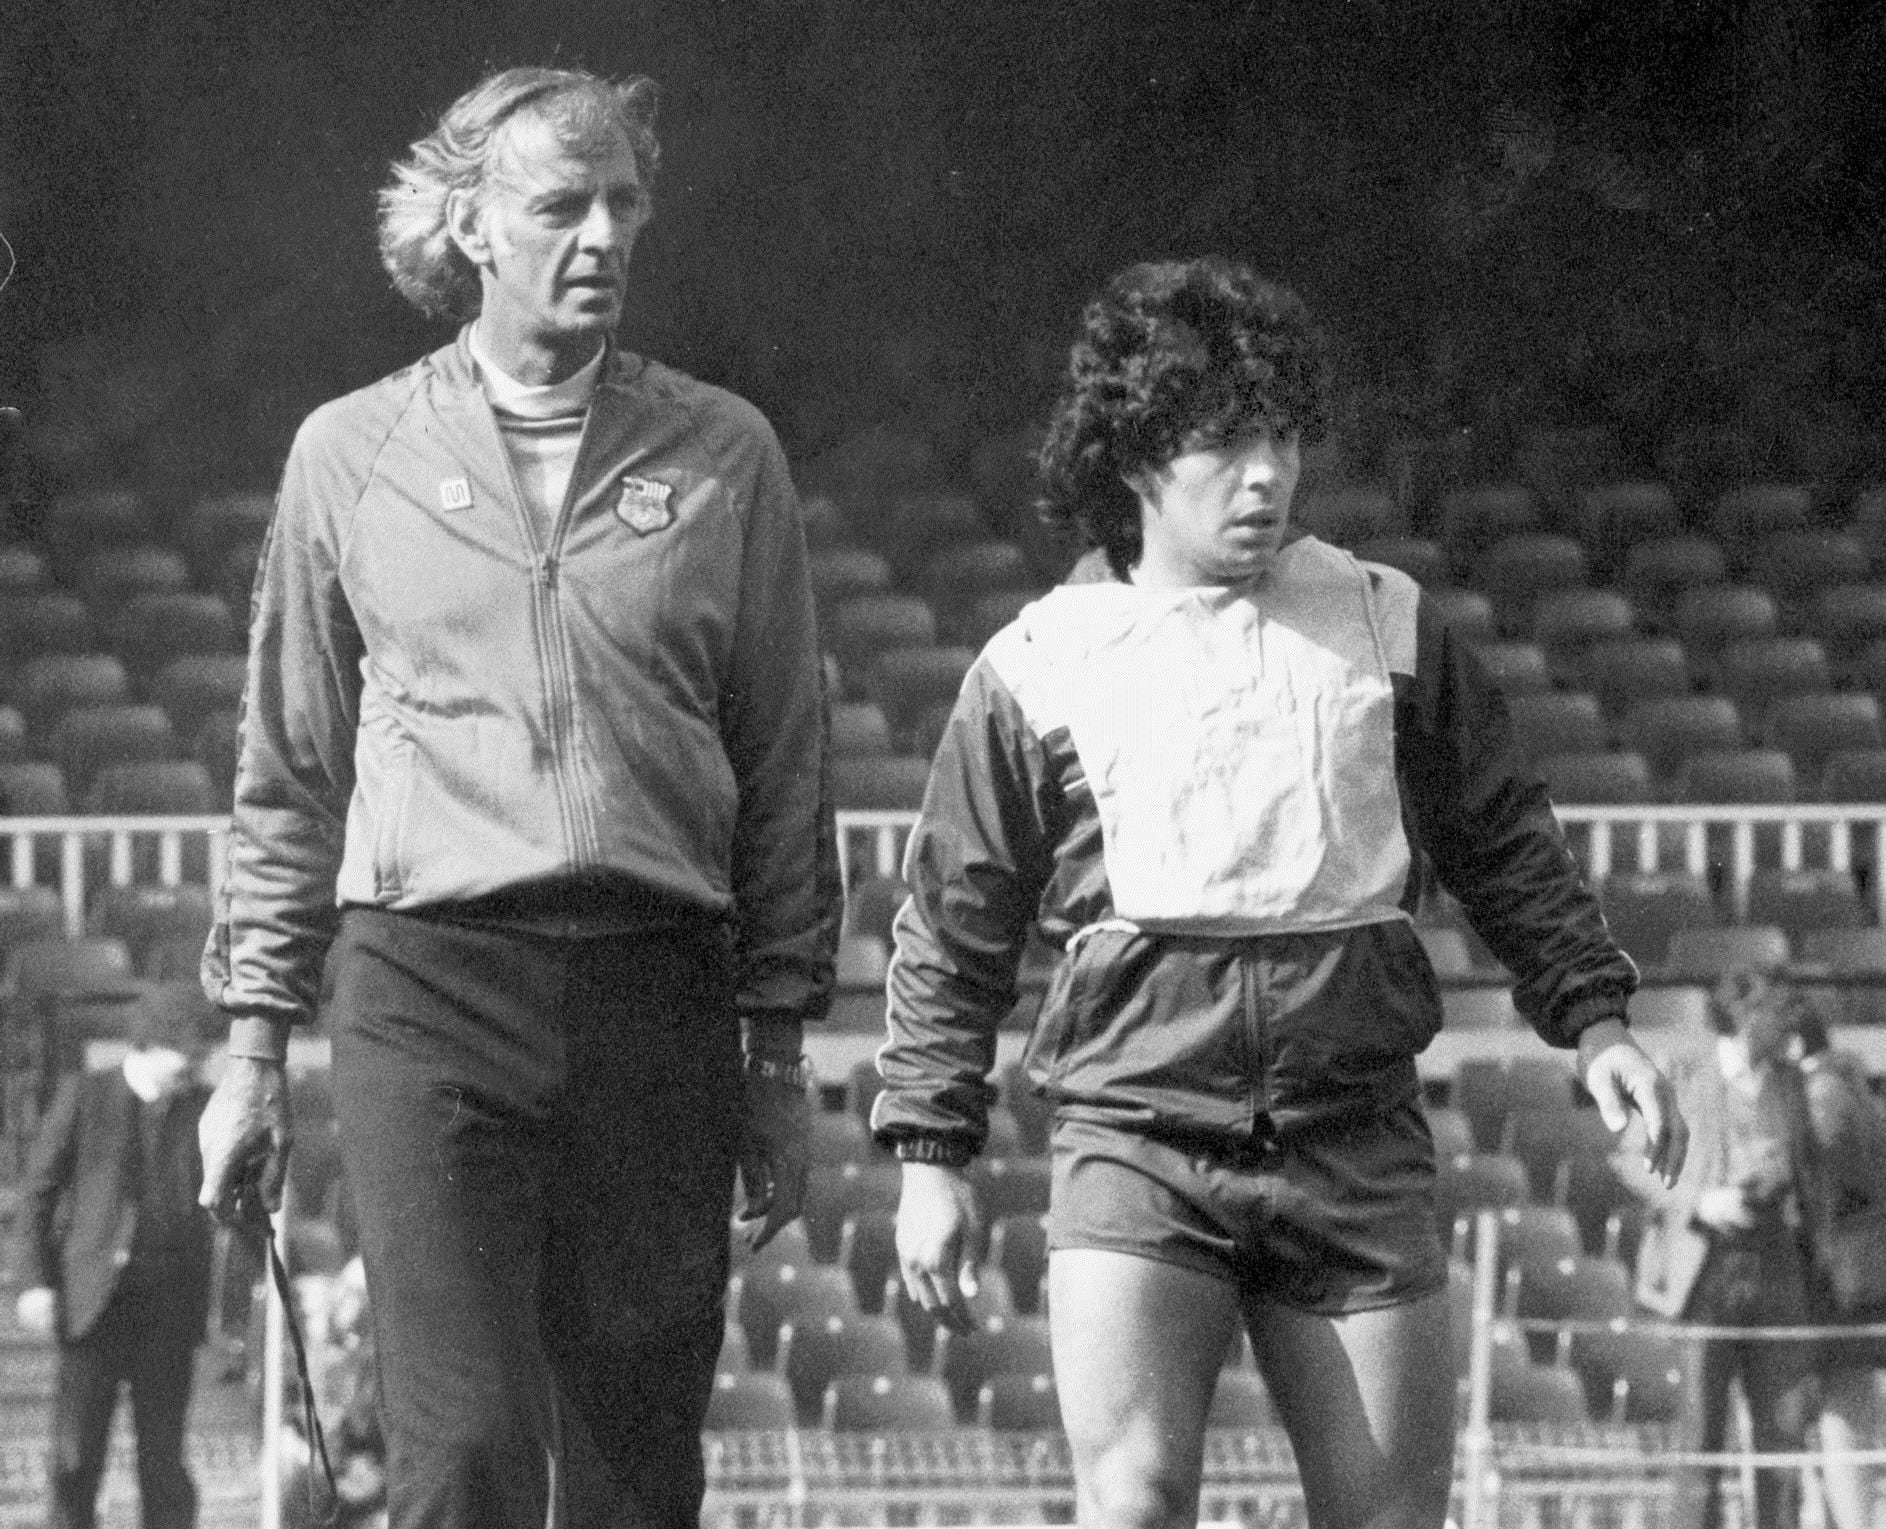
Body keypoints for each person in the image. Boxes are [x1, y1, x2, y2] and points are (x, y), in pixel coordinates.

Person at [872, 254, 1687, 1529]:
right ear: (1136, 455)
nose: (1267, 475)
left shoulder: (1384, 622)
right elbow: (952, 923)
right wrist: (930, 1154)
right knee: (1131, 1504)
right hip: (1137, 1143)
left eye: (1283, 438)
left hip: (1350, 1141)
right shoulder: (1035, 665)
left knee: (1387, 1520)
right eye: (1222, 445)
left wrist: (1595, 1021)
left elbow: (1503, 841)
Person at [192, 66, 841, 1529]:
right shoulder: (346, 455)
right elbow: (290, 769)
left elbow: (787, 765)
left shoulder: (725, 453)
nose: (602, 234)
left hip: (658, 992)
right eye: (560, 205)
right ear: (473, 228)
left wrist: (781, 1055)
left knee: (631, 1471)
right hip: (430, 991)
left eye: (624, 202)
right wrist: (248, 1054)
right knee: (468, 1446)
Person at [15, 984, 224, 1529]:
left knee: (163, 1464)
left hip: (168, 1309)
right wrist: (35, 1282)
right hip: (93, 1305)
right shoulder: (85, 1096)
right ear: (148, 1045)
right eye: (188, 1054)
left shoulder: (203, 1108)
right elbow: (38, 1194)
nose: (197, 1066)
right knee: (77, 1458)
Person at [1627, 966, 1823, 1529]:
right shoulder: (1684, 1070)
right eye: (1777, 1011)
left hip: (1775, 1266)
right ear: (1742, 1014)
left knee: (1781, 1431)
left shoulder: (1789, 1081)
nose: (1790, 1023)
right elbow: (1630, 1161)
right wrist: (1699, 1202)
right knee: (1701, 1436)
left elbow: (1806, 1168)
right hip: (1704, 1267)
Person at [1791, 1003, 1886, 1529]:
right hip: (1860, 1276)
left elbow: (1818, 1191)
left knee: (1842, 1412)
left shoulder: (1822, 1096)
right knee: (1847, 1409)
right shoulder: (1851, 1086)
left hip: (1838, 1281)